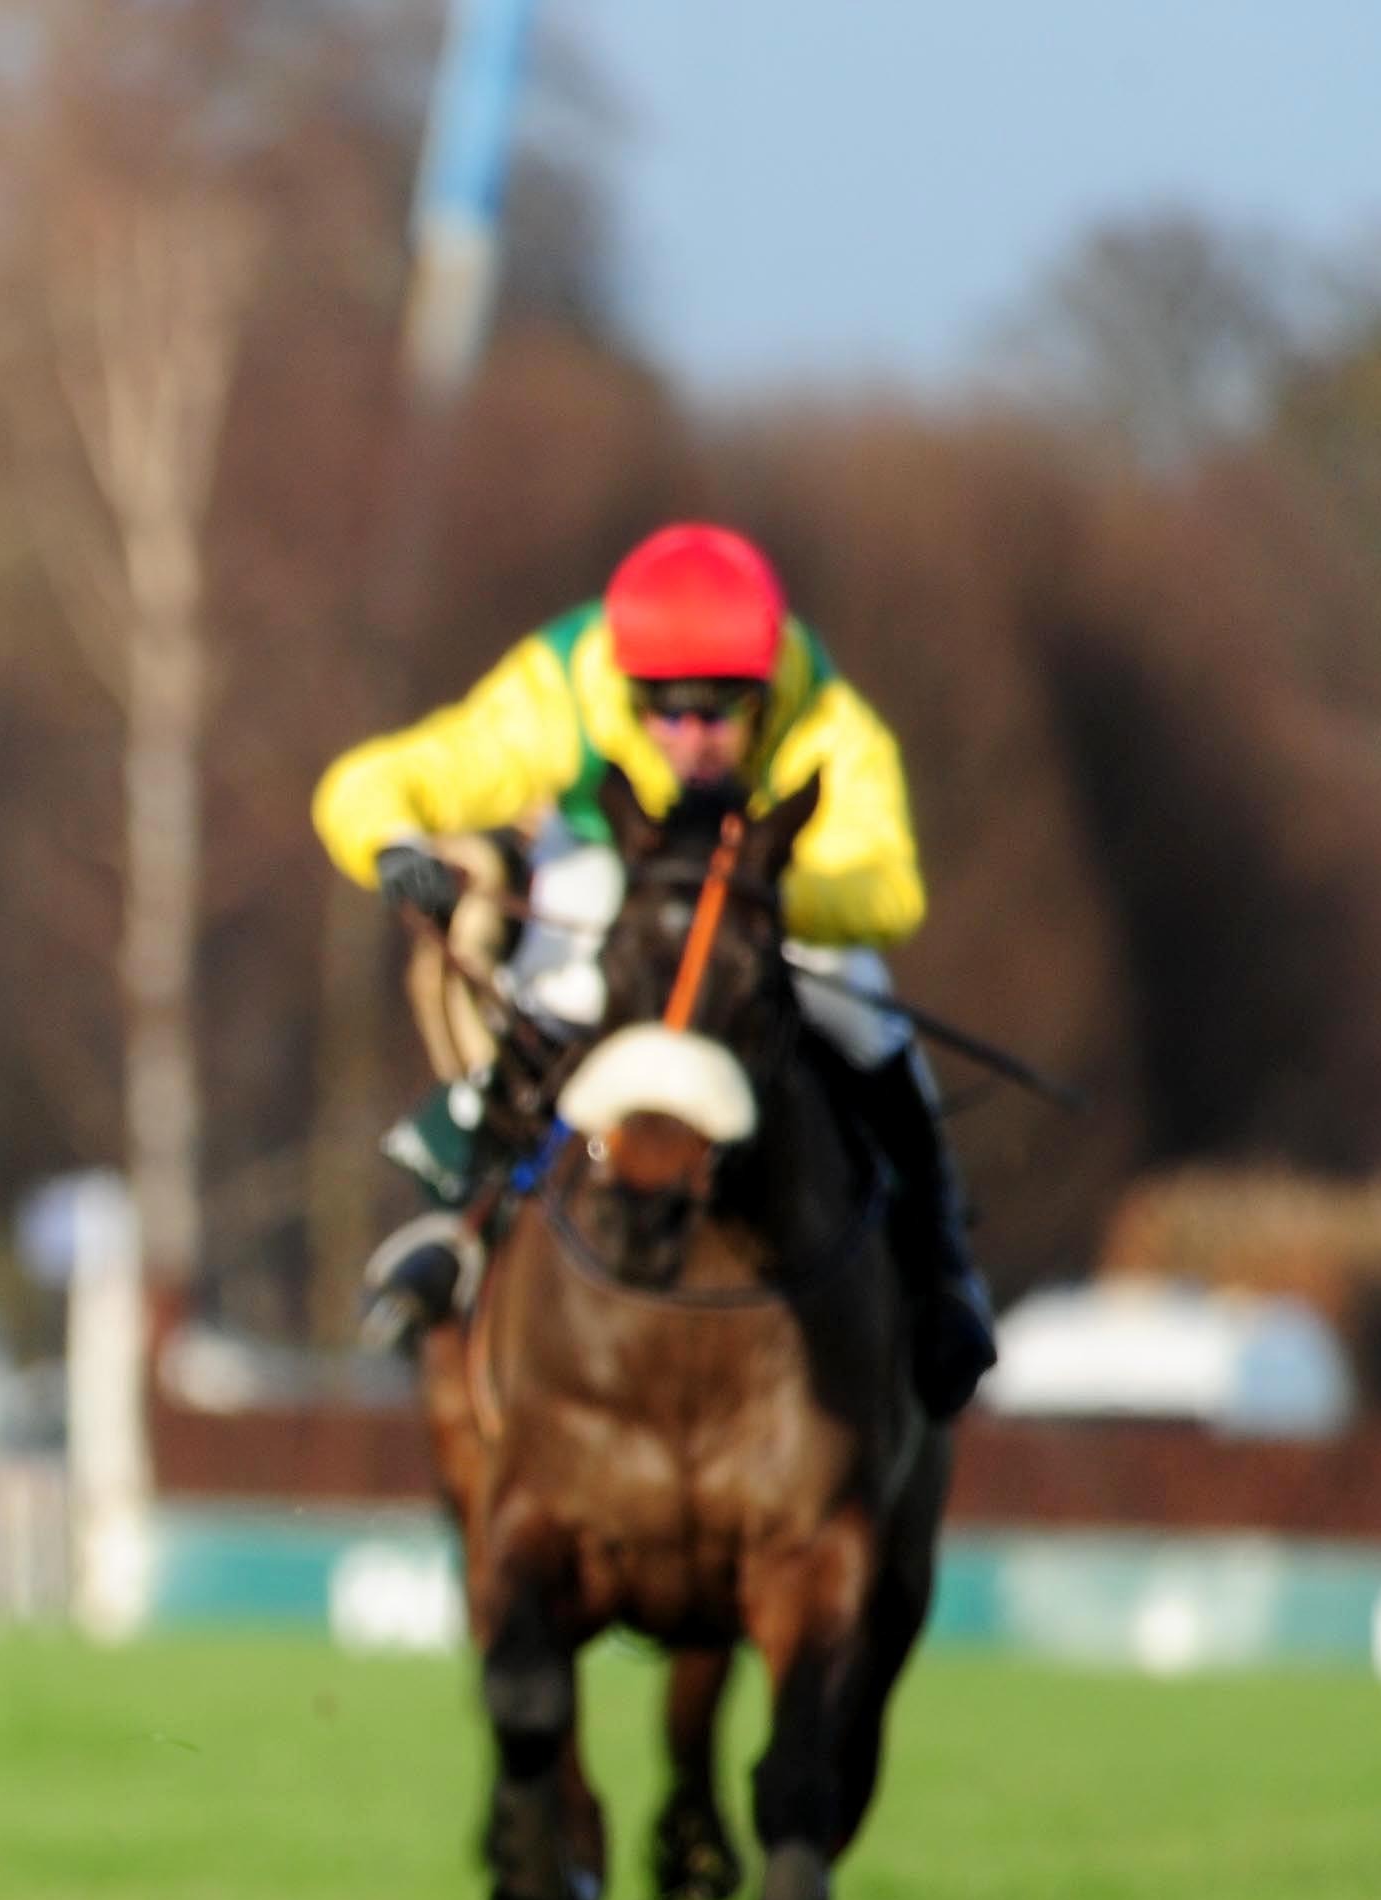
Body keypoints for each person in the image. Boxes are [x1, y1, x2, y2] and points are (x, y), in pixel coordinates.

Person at [311, 520, 996, 1418]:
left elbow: (887, 885)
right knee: (554, 988)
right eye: (666, 711)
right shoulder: (562, 683)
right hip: (616, 882)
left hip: (760, 903)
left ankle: (941, 1259)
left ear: (764, 694)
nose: (692, 737)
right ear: (627, 690)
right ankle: (459, 1224)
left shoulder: (824, 715)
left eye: (721, 712)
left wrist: (755, 898)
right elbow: (379, 779)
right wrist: (394, 845)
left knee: (863, 1006)